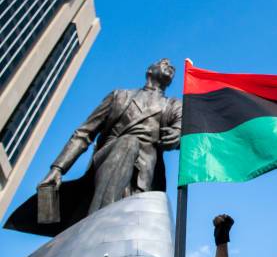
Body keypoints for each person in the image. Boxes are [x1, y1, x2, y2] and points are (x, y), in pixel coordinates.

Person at [5, 58, 182, 236]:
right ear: (149, 71)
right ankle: (97, 228)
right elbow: (84, 133)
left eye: (171, 65)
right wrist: (58, 168)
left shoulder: (172, 106)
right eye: (163, 62)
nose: (169, 64)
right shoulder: (119, 96)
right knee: (128, 142)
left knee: (133, 232)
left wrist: (177, 135)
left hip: (145, 174)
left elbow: (182, 126)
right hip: (109, 159)